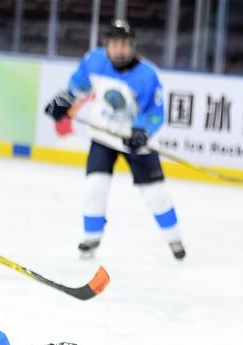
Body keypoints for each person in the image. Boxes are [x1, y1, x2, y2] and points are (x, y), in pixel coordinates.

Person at [44, 20, 183, 261]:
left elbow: (155, 113)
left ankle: (174, 238)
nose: (119, 50)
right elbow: (77, 87)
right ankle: (91, 238)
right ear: (106, 45)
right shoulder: (95, 60)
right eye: (114, 44)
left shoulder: (147, 75)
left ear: (133, 46)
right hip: (104, 136)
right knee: (94, 187)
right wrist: (63, 101)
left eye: (124, 45)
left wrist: (142, 132)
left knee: (155, 193)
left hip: (134, 139)